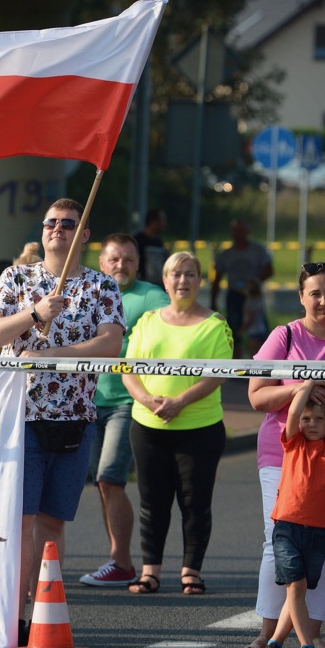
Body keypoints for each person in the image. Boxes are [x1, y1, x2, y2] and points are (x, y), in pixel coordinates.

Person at [0, 197, 124, 645]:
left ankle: (44, 611)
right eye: (51, 223)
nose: (57, 230)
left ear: (83, 235)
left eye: (68, 224)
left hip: (74, 418)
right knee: (20, 522)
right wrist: (35, 314)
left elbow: (110, 345)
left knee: (52, 524)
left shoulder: (102, 287)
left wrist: (52, 355)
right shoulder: (16, 278)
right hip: (18, 417)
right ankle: (14, 615)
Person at [240, 260, 325, 648]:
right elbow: (256, 395)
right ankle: (266, 634)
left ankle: (310, 635)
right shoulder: (283, 336)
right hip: (284, 453)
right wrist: (302, 386)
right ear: (301, 297)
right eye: (314, 293)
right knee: (277, 541)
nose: (323, 300)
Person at [122, 251, 232, 596]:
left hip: (200, 427)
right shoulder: (148, 321)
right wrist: (147, 400)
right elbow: (129, 369)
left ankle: (191, 571)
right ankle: (149, 571)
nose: (182, 281)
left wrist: (181, 401)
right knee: (151, 501)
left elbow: (218, 375)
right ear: (164, 281)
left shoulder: (215, 324)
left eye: (190, 274)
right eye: (175, 274)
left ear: (200, 281)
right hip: (147, 424)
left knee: (194, 502)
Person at [80, 234, 168, 588]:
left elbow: (175, 328)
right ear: (102, 263)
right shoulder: (90, 291)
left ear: (138, 263)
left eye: (128, 260)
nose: (121, 266)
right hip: (87, 399)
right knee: (104, 485)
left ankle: (123, 563)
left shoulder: (152, 298)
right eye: (114, 259)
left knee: (109, 478)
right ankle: (118, 559)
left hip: (128, 402)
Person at [263, 380, 325, 648]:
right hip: (287, 526)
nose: (311, 424)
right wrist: (307, 386)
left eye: (319, 419)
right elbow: (294, 414)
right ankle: (307, 645)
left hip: (318, 532)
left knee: (297, 590)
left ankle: (274, 643)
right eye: (307, 419)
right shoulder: (293, 443)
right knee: (295, 587)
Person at [211, 219, 273, 357]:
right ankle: (237, 366)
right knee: (233, 331)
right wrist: (213, 300)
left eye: (241, 230)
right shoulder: (226, 254)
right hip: (234, 295)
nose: (238, 234)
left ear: (247, 231)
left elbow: (269, 270)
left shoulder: (258, 250)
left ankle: (260, 362)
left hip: (252, 294)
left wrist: (254, 283)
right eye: (235, 230)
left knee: (257, 331)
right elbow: (217, 278)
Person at [133, 208, 169, 285]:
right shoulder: (137, 241)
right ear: (153, 221)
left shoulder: (159, 242)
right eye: (162, 220)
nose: (164, 223)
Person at [241, 278, 269, 358]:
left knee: (254, 356)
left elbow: (250, 317)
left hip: (253, 332)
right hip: (262, 329)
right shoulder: (260, 300)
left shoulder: (250, 302)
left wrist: (242, 329)